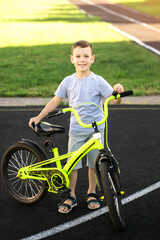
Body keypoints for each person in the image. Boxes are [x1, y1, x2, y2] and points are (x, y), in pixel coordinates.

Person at [29, 40, 124, 214]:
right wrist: (39, 116)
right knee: (72, 165)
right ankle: (70, 195)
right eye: (78, 56)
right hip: (77, 129)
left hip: (96, 129)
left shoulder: (98, 80)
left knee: (94, 163)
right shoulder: (68, 81)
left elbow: (114, 99)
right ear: (72, 59)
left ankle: (91, 192)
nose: (82, 59)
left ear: (92, 59)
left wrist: (117, 92)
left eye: (86, 56)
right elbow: (55, 101)